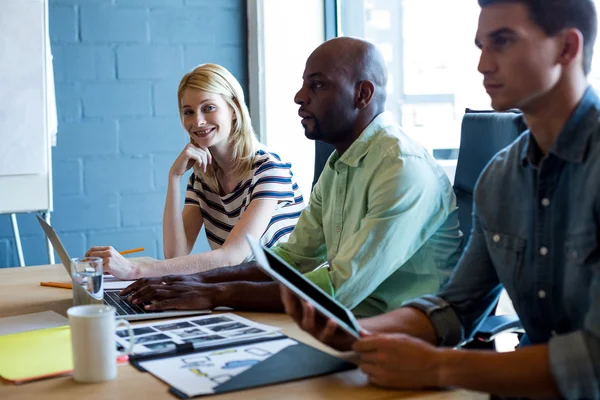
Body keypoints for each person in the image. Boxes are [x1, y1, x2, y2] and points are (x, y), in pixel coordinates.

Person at [281, 1, 600, 399]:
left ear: (567, 49)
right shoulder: (500, 178)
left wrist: (440, 366)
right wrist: (353, 332)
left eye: (502, 42)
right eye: (481, 45)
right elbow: (455, 308)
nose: (483, 64)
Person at [120, 37, 463, 318]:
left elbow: (338, 288)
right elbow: (291, 260)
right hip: (345, 322)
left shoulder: (401, 167)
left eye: (317, 85)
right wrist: (194, 284)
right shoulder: (338, 166)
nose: (299, 97)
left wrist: (214, 291)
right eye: (304, 85)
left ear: (363, 95)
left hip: (404, 336)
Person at [86, 64, 304, 280]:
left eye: (208, 108)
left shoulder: (270, 169)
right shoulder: (203, 178)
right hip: (244, 291)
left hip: (288, 296)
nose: (197, 121)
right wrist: (174, 178)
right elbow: (175, 255)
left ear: (234, 109)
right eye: (188, 112)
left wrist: (135, 270)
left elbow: (232, 257)